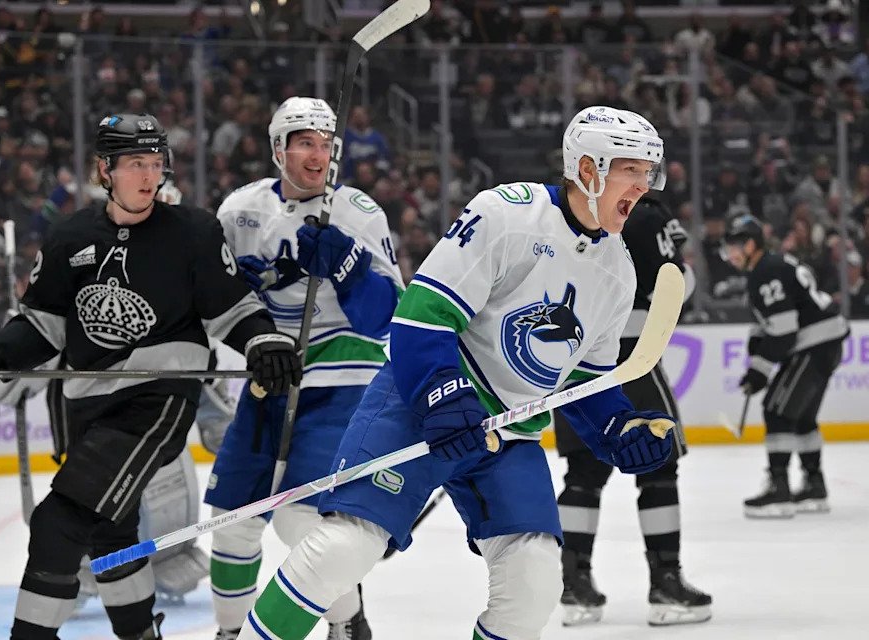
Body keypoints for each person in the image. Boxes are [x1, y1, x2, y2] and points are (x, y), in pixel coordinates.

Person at [234, 105, 676, 640]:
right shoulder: (506, 214)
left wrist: (617, 429)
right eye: (632, 171)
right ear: (589, 170)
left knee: (534, 583)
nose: (644, 186)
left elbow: (585, 381)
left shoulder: (617, 271)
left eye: (647, 172)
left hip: (507, 436)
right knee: (342, 550)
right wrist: (444, 396)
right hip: (417, 406)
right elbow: (421, 318)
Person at [0, 113, 302, 640]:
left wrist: (266, 341)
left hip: (157, 401)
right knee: (109, 531)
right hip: (87, 405)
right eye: (135, 164)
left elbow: (232, 311)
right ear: (105, 170)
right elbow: (39, 328)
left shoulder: (192, 232)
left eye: (155, 162)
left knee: (58, 521)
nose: (149, 175)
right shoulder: (70, 236)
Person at [205, 96, 404, 640]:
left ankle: (348, 625)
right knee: (233, 522)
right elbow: (214, 305)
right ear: (278, 149)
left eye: (326, 144)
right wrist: (236, 288)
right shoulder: (240, 212)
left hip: (343, 380)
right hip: (269, 379)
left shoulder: (357, 213)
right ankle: (228, 632)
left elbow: (384, 318)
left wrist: (348, 267)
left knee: (303, 522)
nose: (318, 156)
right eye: (305, 143)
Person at [553, 196, 711, 627]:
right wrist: (682, 260)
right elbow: (675, 285)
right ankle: (666, 581)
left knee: (583, 473)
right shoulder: (644, 213)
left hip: (568, 355)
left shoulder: (561, 212)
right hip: (629, 353)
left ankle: (572, 585)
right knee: (659, 466)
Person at [724, 214, 848, 518]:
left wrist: (759, 370)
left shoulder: (765, 272)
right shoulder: (771, 265)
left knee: (776, 409)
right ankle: (813, 485)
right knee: (801, 416)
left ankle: (778, 488)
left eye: (734, 247)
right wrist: (757, 356)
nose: (729, 255)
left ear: (751, 245)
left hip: (812, 344)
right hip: (825, 341)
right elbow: (769, 323)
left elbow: (783, 331)